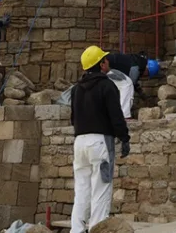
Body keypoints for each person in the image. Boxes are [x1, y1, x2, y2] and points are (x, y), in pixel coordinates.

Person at [70, 46, 131, 233]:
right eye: (105, 59)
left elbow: (73, 117)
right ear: (101, 64)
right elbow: (116, 116)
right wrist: (124, 138)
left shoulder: (76, 89)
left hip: (79, 142)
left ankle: (77, 230)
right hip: (100, 142)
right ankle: (97, 228)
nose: (108, 61)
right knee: (101, 188)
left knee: (81, 190)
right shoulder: (107, 86)